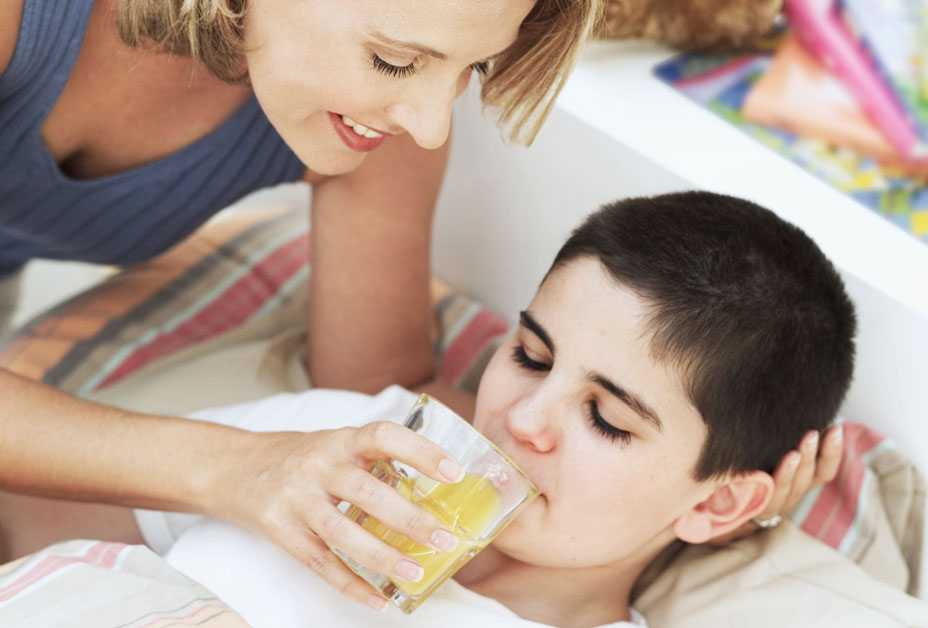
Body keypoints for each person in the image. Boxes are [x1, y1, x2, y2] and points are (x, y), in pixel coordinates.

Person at [0, 0, 831, 605]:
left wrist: (701, 487)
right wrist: (232, 468)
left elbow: (379, 386)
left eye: (471, 68)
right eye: (396, 60)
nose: (433, 125)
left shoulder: (387, 125)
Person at [67, 191, 854, 626]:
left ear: (718, 502)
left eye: (607, 419)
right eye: (531, 356)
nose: (522, 418)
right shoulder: (343, 444)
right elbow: (48, 535)